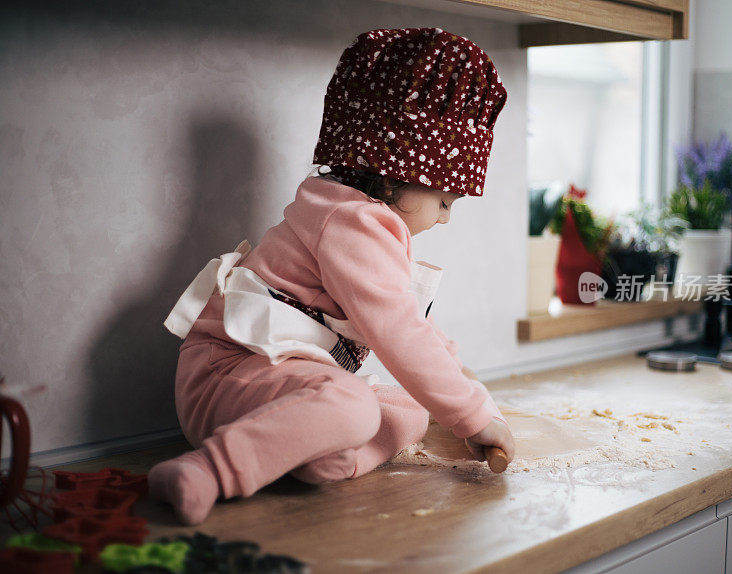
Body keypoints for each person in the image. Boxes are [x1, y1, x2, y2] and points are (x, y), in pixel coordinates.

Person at [148, 27, 515, 526]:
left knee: (407, 410)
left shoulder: (358, 217)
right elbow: (397, 331)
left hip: (273, 386)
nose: (446, 217)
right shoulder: (354, 221)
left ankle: (304, 453)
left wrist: (468, 389)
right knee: (354, 405)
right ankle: (207, 470)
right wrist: (472, 415)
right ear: (392, 173)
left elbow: (413, 326)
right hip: (226, 375)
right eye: (445, 201)